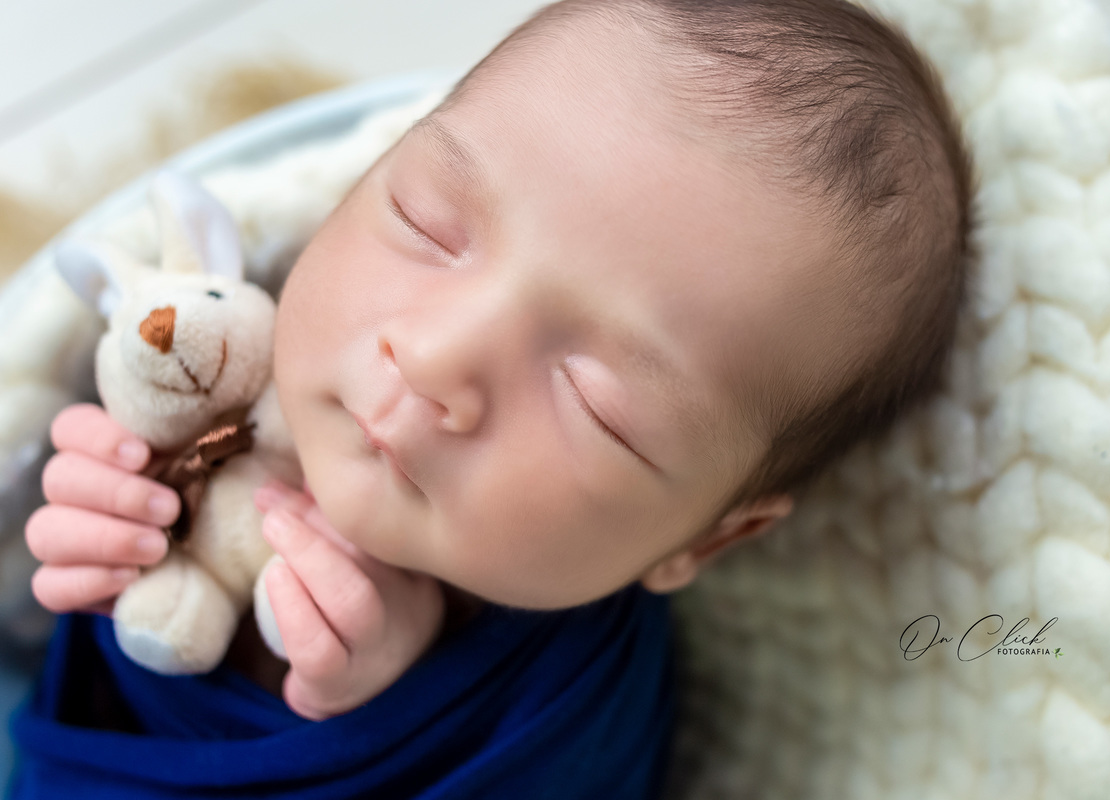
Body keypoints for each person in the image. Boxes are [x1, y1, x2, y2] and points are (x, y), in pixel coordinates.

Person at [11, 0, 973, 797]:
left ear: (703, 540)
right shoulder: (217, 381)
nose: (432, 357)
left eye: (597, 404)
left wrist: (372, 692)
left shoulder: (575, 707)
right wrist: (124, 532)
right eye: (425, 223)